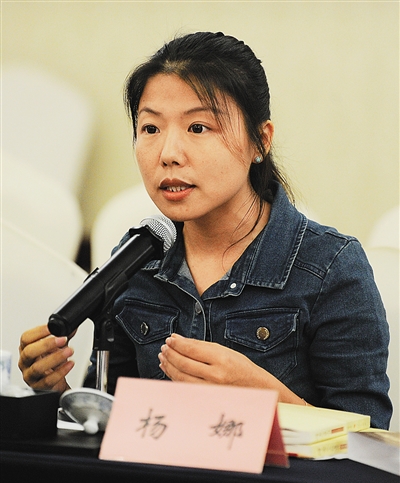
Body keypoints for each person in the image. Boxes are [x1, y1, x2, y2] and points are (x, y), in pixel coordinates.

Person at [18, 31, 392, 429]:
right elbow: (112, 427)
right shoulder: (136, 260)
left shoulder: (331, 267)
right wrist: (56, 390)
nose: (168, 154)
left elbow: (369, 443)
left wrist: (264, 396)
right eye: (150, 129)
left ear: (260, 141)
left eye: (198, 128)